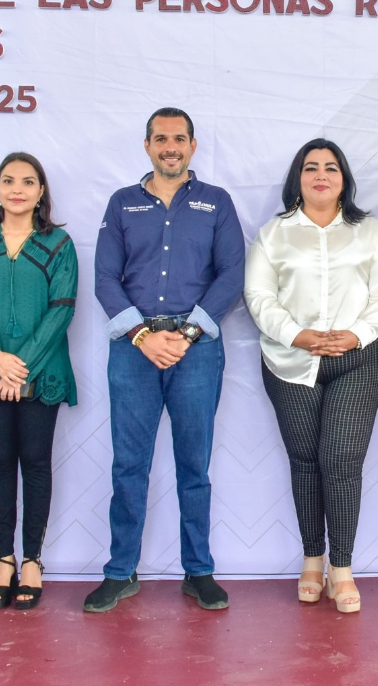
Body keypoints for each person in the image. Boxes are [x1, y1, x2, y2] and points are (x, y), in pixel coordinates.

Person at [86, 107, 244, 613]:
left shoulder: (216, 202)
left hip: (196, 350)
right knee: (128, 465)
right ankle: (120, 571)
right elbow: (105, 277)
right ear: (147, 146)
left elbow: (231, 274)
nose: (170, 147)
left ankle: (198, 570)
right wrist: (142, 335)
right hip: (134, 348)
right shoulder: (122, 203)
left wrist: (187, 334)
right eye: (160, 139)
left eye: (179, 138)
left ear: (193, 146)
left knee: (193, 465)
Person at [244, 138, 378, 613]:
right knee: (305, 461)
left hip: (358, 359)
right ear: (298, 178)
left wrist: (356, 335)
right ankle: (312, 559)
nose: (321, 175)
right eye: (311, 167)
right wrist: (298, 335)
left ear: (344, 179)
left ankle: (342, 568)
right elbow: (258, 296)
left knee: (341, 461)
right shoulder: (274, 234)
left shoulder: (369, 231)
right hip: (290, 362)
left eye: (331, 168)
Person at [0, 153, 78, 611]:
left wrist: (19, 367)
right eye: (8, 181)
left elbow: (62, 309)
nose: (17, 189)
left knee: (36, 463)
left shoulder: (59, 244)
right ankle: (3, 560)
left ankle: (32, 561)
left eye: (27, 181)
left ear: (41, 191)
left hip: (42, 372)